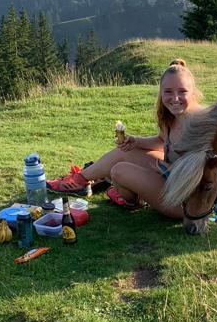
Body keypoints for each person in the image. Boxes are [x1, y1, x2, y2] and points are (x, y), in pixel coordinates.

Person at [48, 59, 204, 218]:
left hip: (184, 202)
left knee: (118, 171)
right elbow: (162, 141)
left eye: (182, 91)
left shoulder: (201, 122)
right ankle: (79, 181)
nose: (175, 98)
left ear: (193, 91)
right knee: (124, 153)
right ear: (161, 92)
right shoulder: (172, 117)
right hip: (168, 179)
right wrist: (136, 141)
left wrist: (170, 170)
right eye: (168, 91)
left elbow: (206, 172)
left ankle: (131, 200)